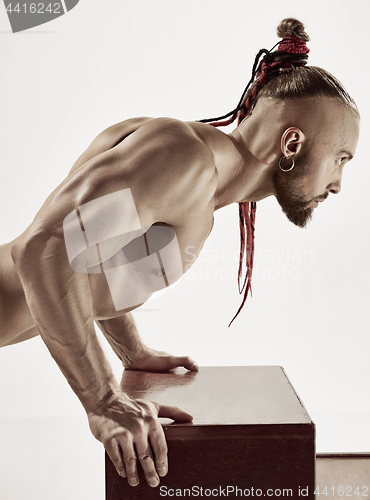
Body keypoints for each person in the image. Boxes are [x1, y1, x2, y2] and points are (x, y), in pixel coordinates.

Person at [0, 18, 359, 489]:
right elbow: (43, 250)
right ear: (292, 143)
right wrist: (103, 399)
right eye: (341, 159)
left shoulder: (197, 183)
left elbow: (88, 258)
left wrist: (132, 352)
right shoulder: (184, 161)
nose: (337, 184)